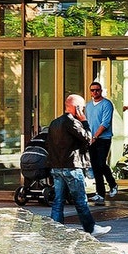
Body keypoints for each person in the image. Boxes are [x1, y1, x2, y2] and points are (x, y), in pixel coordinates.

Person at [47, 94, 110, 236]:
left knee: (58, 201)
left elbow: (48, 145)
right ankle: (91, 228)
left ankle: (55, 229)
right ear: (76, 108)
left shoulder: (54, 123)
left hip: (57, 167)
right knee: (81, 200)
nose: (83, 111)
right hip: (72, 167)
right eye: (82, 108)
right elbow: (88, 138)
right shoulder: (72, 122)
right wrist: (85, 122)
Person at [85, 80, 118, 203]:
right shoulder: (88, 105)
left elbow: (105, 122)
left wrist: (95, 136)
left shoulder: (106, 104)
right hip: (91, 139)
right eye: (92, 90)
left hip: (103, 139)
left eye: (97, 90)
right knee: (95, 166)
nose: (95, 92)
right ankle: (100, 193)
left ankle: (113, 184)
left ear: (101, 91)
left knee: (101, 163)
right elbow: (86, 121)